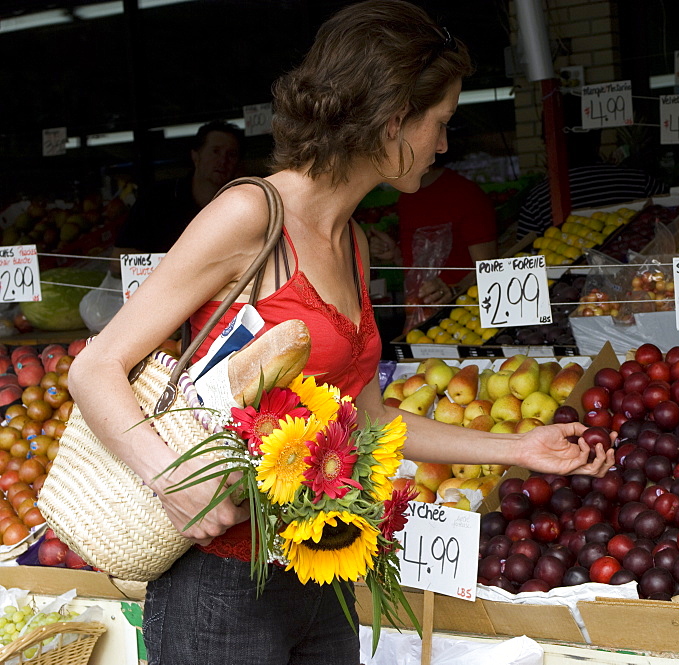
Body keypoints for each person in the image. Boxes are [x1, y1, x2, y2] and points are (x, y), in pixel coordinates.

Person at [67, 3, 613, 664]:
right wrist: (170, 480)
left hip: (318, 562)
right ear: (392, 123)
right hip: (218, 580)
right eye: (439, 123)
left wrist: (519, 446)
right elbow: (93, 369)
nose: (444, 144)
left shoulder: (352, 240)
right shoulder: (249, 215)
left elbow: (368, 419)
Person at [368, 162, 497, 307]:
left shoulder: (465, 194)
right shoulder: (407, 198)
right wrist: (396, 255)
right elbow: (419, 265)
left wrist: (453, 291)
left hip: (463, 314)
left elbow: (489, 270)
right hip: (419, 315)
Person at [516, 118, 666, 240]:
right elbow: (674, 222)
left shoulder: (537, 199)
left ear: (550, 145)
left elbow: (526, 256)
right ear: (598, 139)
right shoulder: (639, 181)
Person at [115, 120, 243, 254]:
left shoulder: (243, 206)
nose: (223, 161)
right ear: (196, 156)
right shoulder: (156, 199)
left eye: (231, 154)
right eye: (215, 151)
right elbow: (118, 259)